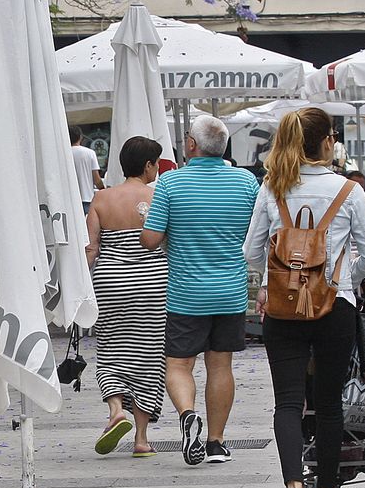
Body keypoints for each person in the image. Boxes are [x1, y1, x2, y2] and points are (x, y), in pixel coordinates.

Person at [246, 108, 365, 488]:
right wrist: (342, 278)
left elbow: (252, 252)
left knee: (287, 402)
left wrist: (274, 280)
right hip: (334, 306)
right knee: (327, 403)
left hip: (283, 308)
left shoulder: (273, 187)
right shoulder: (348, 191)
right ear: (328, 142)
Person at [141, 114, 260, 466]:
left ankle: (188, 414)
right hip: (231, 291)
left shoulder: (170, 184)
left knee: (178, 365)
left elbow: (150, 240)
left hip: (185, 294)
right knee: (220, 366)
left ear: (191, 145)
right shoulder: (246, 182)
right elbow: (258, 233)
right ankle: (216, 442)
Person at [87, 136, 168, 458]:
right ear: (148, 165)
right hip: (153, 284)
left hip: (110, 283)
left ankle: (116, 409)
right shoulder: (158, 196)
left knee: (110, 350)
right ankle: (142, 439)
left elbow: (91, 248)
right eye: (157, 164)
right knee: (149, 356)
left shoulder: (100, 198)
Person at [69, 125, 102, 215]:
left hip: (69, 200)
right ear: (81, 137)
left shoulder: (64, 154)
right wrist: (103, 190)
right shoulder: (90, 153)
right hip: (87, 198)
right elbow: (97, 179)